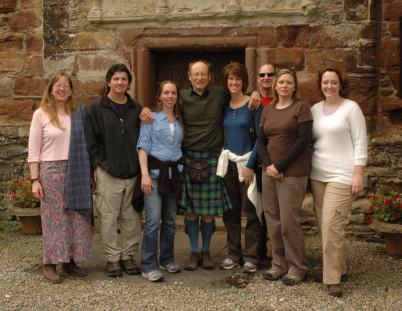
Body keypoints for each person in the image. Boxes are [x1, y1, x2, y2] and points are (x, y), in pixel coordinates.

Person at [28, 72, 92, 284]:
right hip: (51, 171)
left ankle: (70, 260)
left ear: (71, 90)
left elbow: (86, 145)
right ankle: (49, 263)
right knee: (54, 219)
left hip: (76, 170)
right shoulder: (41, 114)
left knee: (75, 217)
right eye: (58, 85)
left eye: (66, 86)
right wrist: (35, 179)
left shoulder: (77, 113)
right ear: (51, 89)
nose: (62, 89)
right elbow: (33, 150)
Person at [310, 68, 367, 297]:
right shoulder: (314, 109)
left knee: (332, 227)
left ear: (340, 84)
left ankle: (332, 279)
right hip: (317, 175)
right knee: (325, 228)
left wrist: (358, 173)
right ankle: (338, 269)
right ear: (321, 84)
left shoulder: (351, 108)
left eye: (334, 82)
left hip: (342, 177)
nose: (329, 86)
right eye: (325, 82)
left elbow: (361, 142)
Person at [86, 63, 142, 277]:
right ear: (108, 81)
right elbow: (91, 141)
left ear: (129, 83)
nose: (120, 82)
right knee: (108, 217)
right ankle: (112, 258)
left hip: (132, 171)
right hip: (107, 171)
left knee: (132, 217)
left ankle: (128, 256)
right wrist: (98, 165)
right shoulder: (96, 108)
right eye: (116, 79)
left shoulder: (135, 108)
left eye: (124, 79)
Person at [257, 68, 313, 286]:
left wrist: (279, 166)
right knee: (273, 221)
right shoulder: (268, 110)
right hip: (269, 172)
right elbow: (261, 141)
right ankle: (278, 265)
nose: (284, 86)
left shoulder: (301, 107)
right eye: (281, 82)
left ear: (294, 86)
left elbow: (303, 141)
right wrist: (269, 165)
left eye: (289, 82)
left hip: (293, 173)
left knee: (290, 222)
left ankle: (297, 267)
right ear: (275, 85)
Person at [216, 62, 263, 274]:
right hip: (229, 165)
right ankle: (234, 254)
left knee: (251, 210)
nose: (234, 82)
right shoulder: (225, 107)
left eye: (237, 79)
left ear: (243, 81)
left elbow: (261, 138)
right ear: (226, 83)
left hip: (247, 164)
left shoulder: (253, 104)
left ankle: (252, 256)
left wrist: (251, 165)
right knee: (231, 212)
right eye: (230, 79)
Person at [137, 81, 183, 282]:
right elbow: (143, 147)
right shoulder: (150, 118)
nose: (170, 96)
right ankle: (148, 265)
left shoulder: (181, 120)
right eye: (166, 92)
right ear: (160, 96)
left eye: (173, 92)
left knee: (171, 221)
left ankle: (166, 258)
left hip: (174, 175)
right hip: (154, 176)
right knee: (154, 220)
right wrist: (144, 174)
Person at [255, 63, 276, 267]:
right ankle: (259, 252)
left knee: (276, 210)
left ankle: (280, 254)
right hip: (258, 161)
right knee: (259, 208)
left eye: (270, 74)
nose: (266, 77)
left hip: (279, 163)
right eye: (262, 74)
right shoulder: (253, 101)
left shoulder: (282, 101)